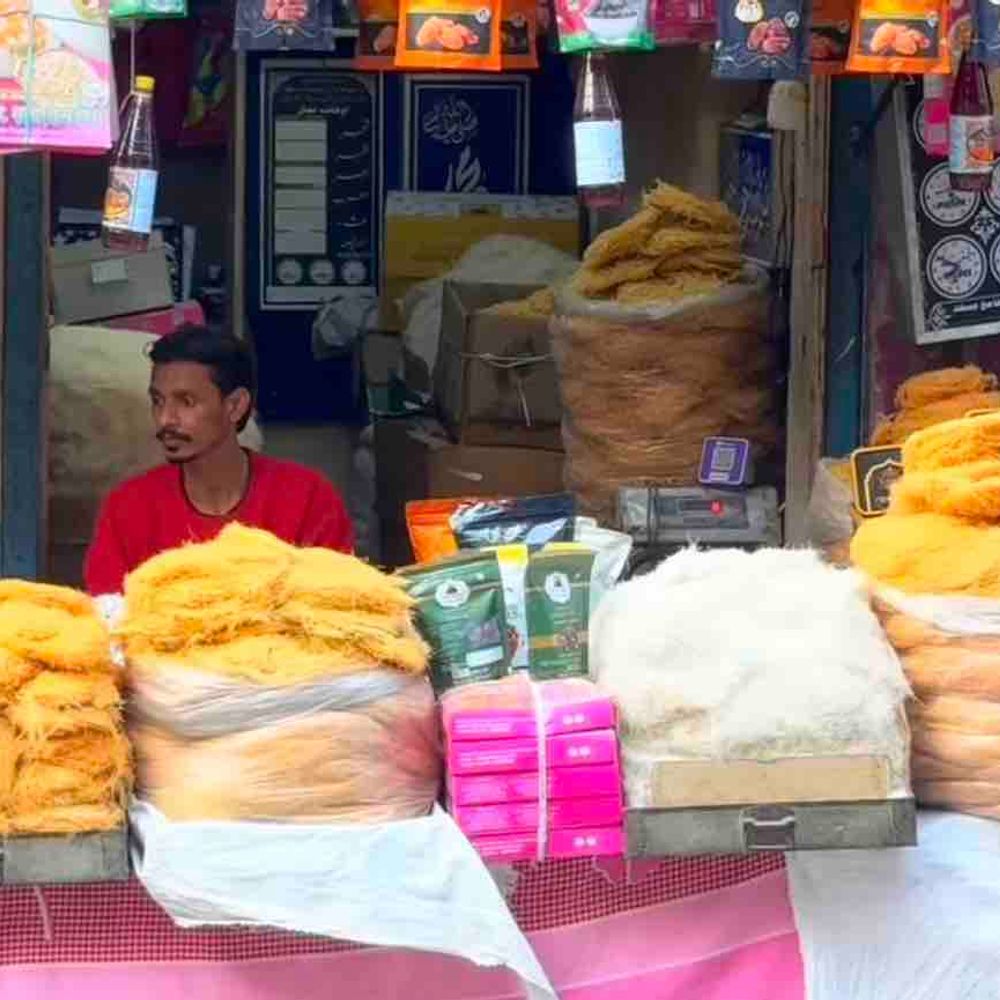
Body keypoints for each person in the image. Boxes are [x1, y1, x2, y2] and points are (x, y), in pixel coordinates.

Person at [84, 325, 353, 595]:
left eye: (186, 402)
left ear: (235, 405)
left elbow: (336, 610)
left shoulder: (308, 498)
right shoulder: (127, 508)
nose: (166, 418)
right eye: (158, 401)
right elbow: (109, 617)